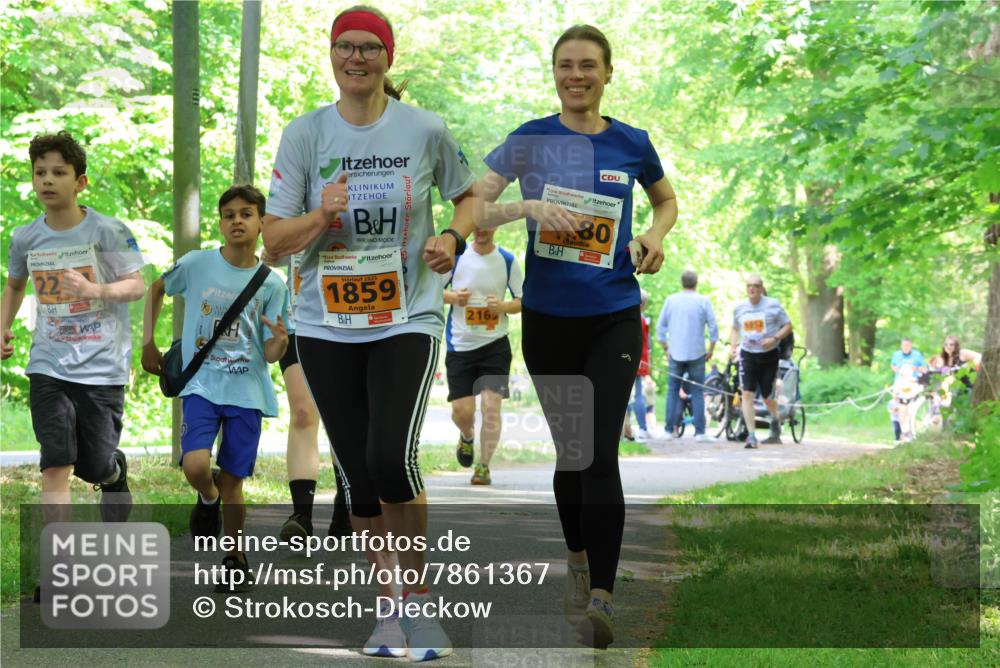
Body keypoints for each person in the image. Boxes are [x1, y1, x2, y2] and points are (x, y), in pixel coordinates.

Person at [260, 6, 476, 661]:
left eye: (370, 48)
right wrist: (320, 217)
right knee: (356, 476)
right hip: (324, 324)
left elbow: (468, 195)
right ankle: (388, 610)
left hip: (406, 315)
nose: (357, 58)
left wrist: (450, 236)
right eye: (346, 48)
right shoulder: (304, 136)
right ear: (331, 56)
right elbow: (272, 243)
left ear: (387, 57)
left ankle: (419, 601)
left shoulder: (424, 129)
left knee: (390, 458)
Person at [476, 24, 676, 648]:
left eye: (589, 65)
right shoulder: (530, 140)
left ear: (607, 73)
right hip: (548, 319)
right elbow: (475, 208)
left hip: (614, 313)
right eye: (566, 65)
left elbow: (667, 202)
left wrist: (655, 237)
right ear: (555, 74)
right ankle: (578, 558)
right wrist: (525, 209)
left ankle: (603, 598)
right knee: (572, 454)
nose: (577, 75)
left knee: (598, 451)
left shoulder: (631, 142)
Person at [142, 184, 290, 591]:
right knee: (196, 466)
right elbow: (156, 288)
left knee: (233, 483)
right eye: (229, 215)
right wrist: (148, 341)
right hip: (202, 386)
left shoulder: (273, 284)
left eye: (246, 214)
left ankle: (235, 555)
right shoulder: (197, 264)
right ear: (221, 223)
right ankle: (207, 500)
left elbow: (274, 352)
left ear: (262, 223)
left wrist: (280, 339)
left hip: (247, 392)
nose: (237, 221)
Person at [2, 132, 143, 553]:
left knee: (94, 464)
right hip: (48, 363)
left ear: (80, 182)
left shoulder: (107, 231)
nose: (47, 180)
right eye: (39, 172)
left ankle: (113, 474)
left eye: (58, 172)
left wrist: (94, 290)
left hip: (102, 366)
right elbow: (14, 285)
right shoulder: (26, 237)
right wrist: (3, 327)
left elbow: (136, 286)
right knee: (55, 463)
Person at [269, 250, 352, 541]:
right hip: (298, 321)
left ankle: (347, 501)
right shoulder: (292, 204)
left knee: (342, 416)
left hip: (349, 318)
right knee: (303, 412)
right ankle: (301, 515)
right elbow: (273, 244)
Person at [442, 228, 523, 486]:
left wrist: (503, 307)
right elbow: (430, 290)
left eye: (487, 225)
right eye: (477, 225)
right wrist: (453, 297)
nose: (481, 231)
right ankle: (466, 436)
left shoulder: (507, 260)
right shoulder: (455, 259)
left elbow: (524, 299)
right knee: (462, 412)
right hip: (461, 346)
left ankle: (483, 466)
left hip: (494, 345)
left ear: (496, 227)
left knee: (491, 407)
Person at [729, 274, 792, 449]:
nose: (752, 289)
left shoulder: (773, 305)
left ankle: (776, 419)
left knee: (766, 396)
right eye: (749, 285)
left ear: (761, 288)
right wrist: (733, 346)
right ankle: (751, 436)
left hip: (769, 355)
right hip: (748, 354)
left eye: (756, 285)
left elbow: (788, 325)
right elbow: (735, 328)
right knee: (747, 394)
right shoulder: (740, 307)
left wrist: (775, 338)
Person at [656, 270, 719, 442]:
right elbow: (713, 326)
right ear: (696, 283)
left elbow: (660, 328)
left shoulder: (671, 300)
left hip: (675, 352)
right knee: (698, 390)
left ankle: (669, 430)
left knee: (672, 390)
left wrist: (665, 347)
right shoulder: (703, 301)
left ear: (682, 282)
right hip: (697, 352)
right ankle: (700, 432)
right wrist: (711, 347)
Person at [624, 290, 653, 441]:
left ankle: (636, 428)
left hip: (633, 359)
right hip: (637, 360)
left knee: (631, 395)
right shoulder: (642, 319)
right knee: (634, 394)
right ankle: (636, 428)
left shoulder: (635, 319)